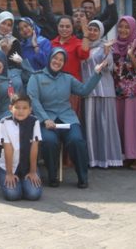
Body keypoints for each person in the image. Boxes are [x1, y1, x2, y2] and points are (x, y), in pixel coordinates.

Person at [26, 47, 106, 188]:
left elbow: (83, 91)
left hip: (67, 118)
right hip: (47, 119)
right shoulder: (36, 77)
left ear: (64, 63)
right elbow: (33, 100)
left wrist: (96, 73)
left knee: (77, 141)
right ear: (49, 59)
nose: (57, 62)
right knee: (50, 142)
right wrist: (45, 119)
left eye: (61, 60)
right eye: (55, 58)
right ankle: (52, 176)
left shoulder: (67, 78)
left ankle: (83, 177)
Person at [81, 20, 123, 168]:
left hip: (104, 90)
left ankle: (108, 159)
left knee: (106, 126)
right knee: (90, 127)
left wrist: (106, 52)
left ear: (101, 32)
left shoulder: (105, 45)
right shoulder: (84, 45)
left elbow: (108, 67)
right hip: (88, 90)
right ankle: (93, 159)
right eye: (90, 29)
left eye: (95, 30)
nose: (92, 32)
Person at [112, 16, 136, 170]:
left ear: (133, 28)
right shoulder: (115, 45)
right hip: (120, 91)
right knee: (124, 124)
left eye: (127, 27)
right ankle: (129, 155)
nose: (123, 30)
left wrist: (132, 56)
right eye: (120, 26)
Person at [0, 93, 43, 201]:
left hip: (28, 167)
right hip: (9, 167)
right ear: (10, 108)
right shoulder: (4, 123)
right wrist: (9, 174)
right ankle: (12, 182)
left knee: (33, 194)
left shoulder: (34, 122)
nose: (20, 111)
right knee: (13, 195)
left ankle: (24, 183)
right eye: (17, 107)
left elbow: (34, 147)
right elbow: (8, 149)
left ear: (30, 110)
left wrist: (32, 171)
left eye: (24, 108)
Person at [51, 15, 90, 116]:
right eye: (61, 26)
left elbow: (84, 54)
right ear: (57, 27)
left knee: (69, 117)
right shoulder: (52, 43)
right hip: (53, 86)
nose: (64, 29)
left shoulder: (77, 42)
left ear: (73, 27)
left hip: (71, 87)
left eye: (67, 26)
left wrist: (86, 34)